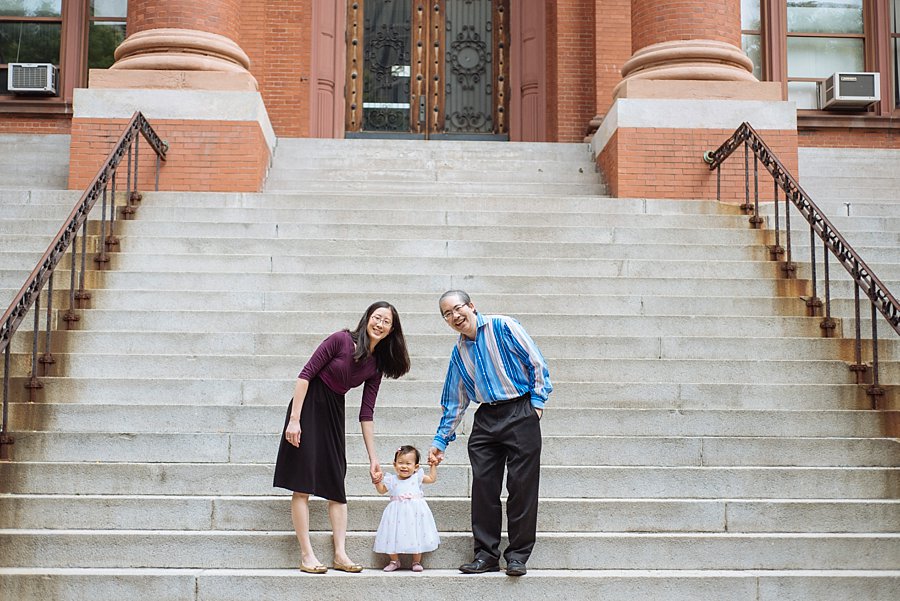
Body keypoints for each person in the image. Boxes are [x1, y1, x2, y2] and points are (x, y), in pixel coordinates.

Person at [273, 301, 410, 574]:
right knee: (302, 484)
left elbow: (366, 413)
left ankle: (340, 554)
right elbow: (305, 376)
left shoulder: (376, 365)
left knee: (336, 483)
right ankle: (307, 555)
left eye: (386, 322)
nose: (380, 324)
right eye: (377, 317)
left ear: (392, 330)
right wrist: (295, 420)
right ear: (367, 318)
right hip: (309, 406)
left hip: (334, 410)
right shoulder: (340, 340)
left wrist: (374, 459)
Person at [428, 290, 551, 577]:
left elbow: (537, 362)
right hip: (486, 417)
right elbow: (455, 400)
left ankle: (518, 556)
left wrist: (536, 404)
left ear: (471, 306)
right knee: (483, 486)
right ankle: (486, 555)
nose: (454, 316)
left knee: (522, 486)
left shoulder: (503, 326)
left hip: (520, 409)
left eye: (458, 309)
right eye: (447, 314)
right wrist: (440, 440)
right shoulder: (459, 352)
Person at [373, 444, 440, 572]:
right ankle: (394, 560)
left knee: (416, 534)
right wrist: (377, 481)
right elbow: (381, 490)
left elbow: (432, 479)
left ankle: (416, 561)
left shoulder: (417, 477)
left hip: (415, 513)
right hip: (396, 514)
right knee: (392, 535)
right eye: (400, 463)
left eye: (408, 463)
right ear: (394, 465)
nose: (404, 466)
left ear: (416, 467)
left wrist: (433, 466)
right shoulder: (391, 480)